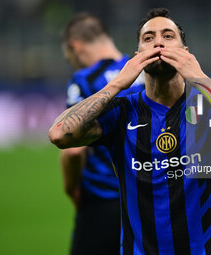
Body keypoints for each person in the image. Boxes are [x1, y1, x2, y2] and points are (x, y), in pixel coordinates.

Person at [50, 8, 211, 255]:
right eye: (149, 38)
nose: (158, 42)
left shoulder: (209, 107)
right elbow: (59, 134)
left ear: (185, 53)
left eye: (168, 36)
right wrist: (118, 83)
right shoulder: (122, 112)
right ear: (137, 56)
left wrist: (200, 78)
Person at [60, 13, 144, 255]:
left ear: (75, 47)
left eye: (69, 58)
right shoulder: (145, 74)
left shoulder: (85, 80)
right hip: (146, 201)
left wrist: (71, 189)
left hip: (103, 202)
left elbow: (74, 150)